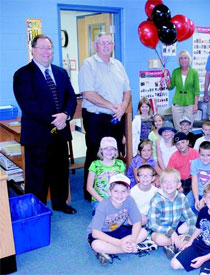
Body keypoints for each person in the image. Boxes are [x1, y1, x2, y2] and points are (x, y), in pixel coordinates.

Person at [13, 34, 77, 214]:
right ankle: (37, 209)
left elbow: (71, 97)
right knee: (37, 177)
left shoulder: (60, 72)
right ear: (33, 50)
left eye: (49, 48)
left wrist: (66, 115)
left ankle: (60, 203)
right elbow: (28, 104)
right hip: (38, 135)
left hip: (61, 132)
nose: (46, 52)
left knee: (60, 172)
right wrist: (56, 120)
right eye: (42, 48)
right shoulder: (23, 74)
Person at [79, 32, 131, 201]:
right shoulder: (88, 64)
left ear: (113, 46)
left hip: (116, 116)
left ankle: (114, 190)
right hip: (96, 117)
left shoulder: (118, 65)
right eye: (102, 43)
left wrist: (123, 106)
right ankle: (91, 194)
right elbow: (87, 93)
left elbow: (127, 91)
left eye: (109, 43)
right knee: (96, 153)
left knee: (113, 153)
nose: (106, 46)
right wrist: (111, 105)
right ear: (96, 46)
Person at [170, 183, 210, 275]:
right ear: (204, 199)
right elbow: (198, 228)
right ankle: (199, 259)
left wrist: (204, 259)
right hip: (201, 245)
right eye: (209, 197)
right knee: (174, 264)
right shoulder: (203, 210)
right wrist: (190, 242)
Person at [87, 174, 147, 265]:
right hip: (102, 233)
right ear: (109, 192)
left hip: (118, 228)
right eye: (115, 191)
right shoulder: (102, 206)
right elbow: (95, 233)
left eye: (123, 191)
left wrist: (133, 240)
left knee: (143, 232)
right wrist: (119, 243)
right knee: (96, 245)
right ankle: (128, 249)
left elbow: (137, 222)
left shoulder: (129, 200)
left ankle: (114, 250)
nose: (120, 195)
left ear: (128, 193)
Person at [147, 168, 196, 259]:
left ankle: (178, 242)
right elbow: (153, 224)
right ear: (161, 184)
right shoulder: (156, 200)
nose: (169, 184)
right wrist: (172, 233)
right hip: (160, 230)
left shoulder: (181, 197)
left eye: (173, 181)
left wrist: (188, 237)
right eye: (165, 181)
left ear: (178, 185)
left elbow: (191, 217)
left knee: (195, 225)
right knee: (160, 240)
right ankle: (176, 242)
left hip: (176, 226)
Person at [163, 50, 200, 130]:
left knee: (188, 127)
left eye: (185, 58)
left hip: (190, 103)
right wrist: (166, 79)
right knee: (178, 127)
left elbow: (197, 90)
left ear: (189, 59)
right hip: (177, 103)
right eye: (181, 58)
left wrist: (196, 104)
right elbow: (170, 87)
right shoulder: (175, 71)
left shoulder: (194, 72)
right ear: (179, 60)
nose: (183, 60)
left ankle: (187, 142)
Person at [86, 137, 126, 210]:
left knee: (126, 213)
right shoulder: (95, 165)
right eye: (105, 148)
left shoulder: (119, 163)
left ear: (116, 150)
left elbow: (123, 184)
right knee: (107, 215)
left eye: (112, 149)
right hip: (99, 200)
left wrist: (119, 198)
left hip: (117, 197)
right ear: (101, 150)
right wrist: (102, 200)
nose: (109, 151)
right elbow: (89, 187)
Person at [187, 141, 210, 213]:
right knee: (187, 206)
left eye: (208, 155)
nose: (205, 158)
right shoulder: (194, 163)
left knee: (208, 209)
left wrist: (203, 199)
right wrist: (196, 199)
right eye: (202, 155)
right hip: (197, 191)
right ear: (198, 154)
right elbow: (194, 182)